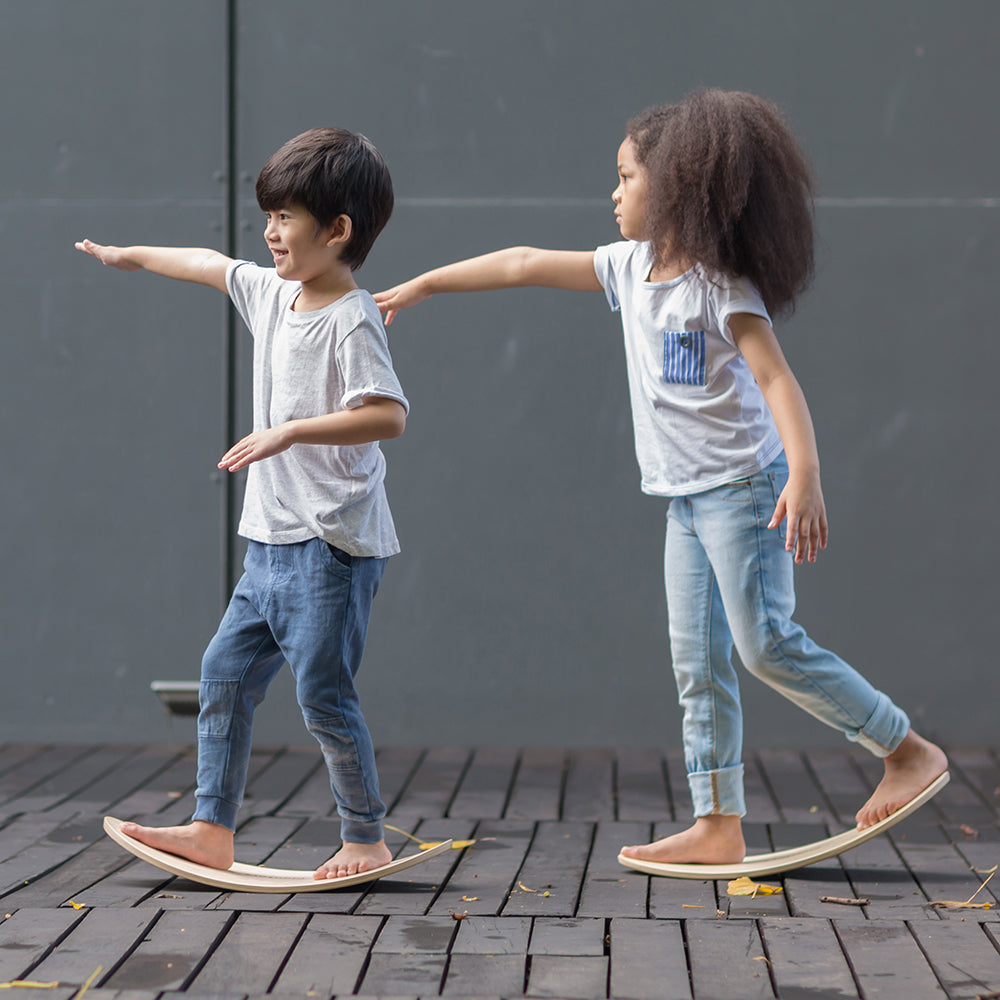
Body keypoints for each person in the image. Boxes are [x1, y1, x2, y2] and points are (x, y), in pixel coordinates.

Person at [373, 89, 946, 865]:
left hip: (744, 490)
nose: (613, 195)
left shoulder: (719, 287)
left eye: (625, 178)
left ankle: (904, 749)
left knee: (765, 644)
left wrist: (804, 474)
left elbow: (778, 381)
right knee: (697, 660)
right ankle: (717, 822)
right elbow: (523, 262)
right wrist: (428, 284)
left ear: (675, 187)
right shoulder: (627, 267)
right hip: (684, 499)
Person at [76, 127, 408, 879]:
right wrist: (130, 257)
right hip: (269, 544)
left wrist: (290, 431)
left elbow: (389, 414)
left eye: (286, 217)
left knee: (322, 694)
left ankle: (365, 837)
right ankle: (210, 827)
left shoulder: (350, 319)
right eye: (270, 216)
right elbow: (208, 264)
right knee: (222, 676)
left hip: (330, 548)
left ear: (338, 230)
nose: (270, 232)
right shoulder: (272, 291)